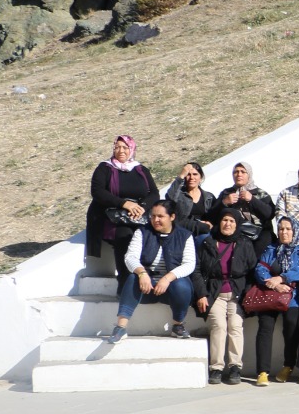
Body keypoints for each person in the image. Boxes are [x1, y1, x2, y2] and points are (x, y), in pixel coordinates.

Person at [108, 199, 196, 344]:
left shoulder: (185, 236)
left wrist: (167, 278)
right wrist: (142, 273)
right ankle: (120, 327)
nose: (156, 220)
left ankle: (178, 325)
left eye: (161, 216)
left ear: (172, 217)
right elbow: (130, 257)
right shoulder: (142, 232)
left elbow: (189, 264)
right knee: (132, 277)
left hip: (171, 289)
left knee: (181, 284)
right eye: (153, 216)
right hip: (147, 286)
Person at [193, 209, 256, 385]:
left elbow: (252, 271)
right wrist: (201, 294)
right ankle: (216, 368)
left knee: (235, 326)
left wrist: (248, 294)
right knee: (219, 326)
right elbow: (197, 270)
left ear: (237, 225)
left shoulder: (244, 243)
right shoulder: (208, 242)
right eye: (224, 220)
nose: (227, 224)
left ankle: (235, 367)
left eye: (232, 221)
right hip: (215, 293)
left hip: (237, 293)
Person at [86, 135, 159, 270]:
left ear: (132, 149)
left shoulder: (140, 170)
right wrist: (124, 204)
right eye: (117, 147)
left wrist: (141, 207)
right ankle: (125, 281)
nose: (121, 151)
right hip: (112, 217)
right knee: (125, 236)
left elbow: (154, 194)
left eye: (125, 147)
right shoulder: (105, 168)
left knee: (148, 236)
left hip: (138, 215)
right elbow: (97, 192)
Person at [252, 217, 299, 384]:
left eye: (288, 229)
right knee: (265, 326)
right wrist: (274, 284)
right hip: (271, 294)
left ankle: (288, 366)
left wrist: (282, 278)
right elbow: (261, 268)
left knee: (291, 326)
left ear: (295, 231)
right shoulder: (271, 249)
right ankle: (262, 371)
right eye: (281, 229)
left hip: (293, 296)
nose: (284, 232)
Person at [213, 162, 276, 255]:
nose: (239, 174)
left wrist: (252, 199)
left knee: (266, 238)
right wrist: (224, 202)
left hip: (260, 232)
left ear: (249, 175)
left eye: (243, 172)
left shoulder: (260, 193)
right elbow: (213, 214)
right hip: (235, 232)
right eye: (236, 172)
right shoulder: (226, 193)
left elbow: (269, 214)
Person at [164, 161, 215, 240]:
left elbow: (215, 213)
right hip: (183, 232)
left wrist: (211, 223)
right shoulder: (179, 195)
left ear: (200, 177)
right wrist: (181, 175)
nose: (191, 177)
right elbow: (169, 198)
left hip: (203, 233)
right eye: (188, 174)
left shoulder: (209, 197)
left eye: (195, 174)